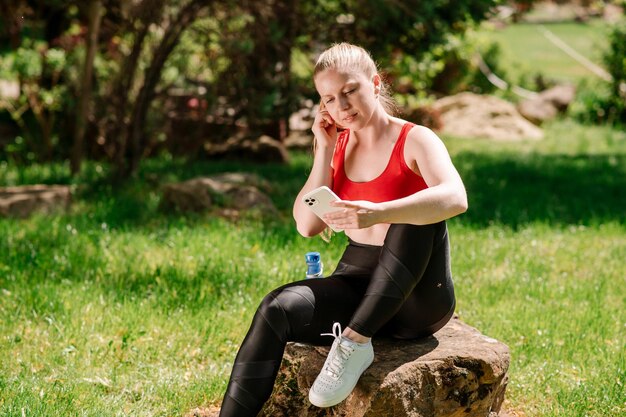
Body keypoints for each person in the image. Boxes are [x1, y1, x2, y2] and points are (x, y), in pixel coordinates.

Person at [217, 42, 467, 416]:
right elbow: (306, 224)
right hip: (359, 282)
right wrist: (323, 148)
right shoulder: (338, 145)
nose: (342, 106)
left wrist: (378, 212)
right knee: (276, 308)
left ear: (376, 83)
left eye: (350, 90)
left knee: (413, 214)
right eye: (329, 98)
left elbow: (456, 197)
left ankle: (354, 342)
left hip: (418, 298)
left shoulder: (415, 139)